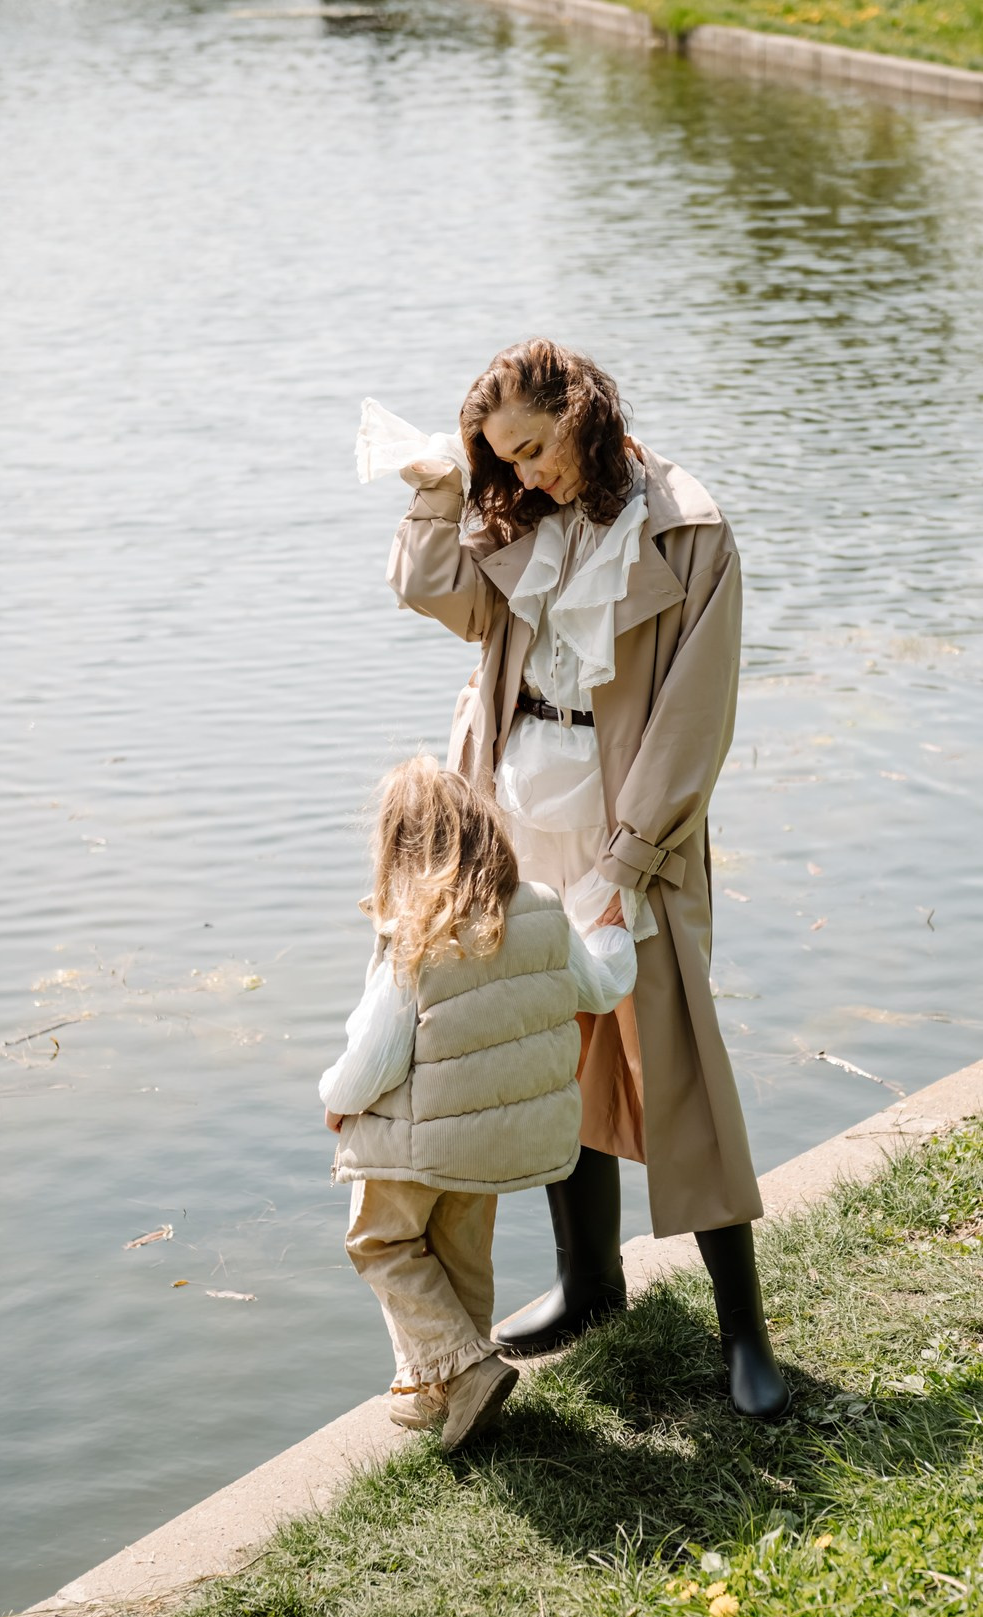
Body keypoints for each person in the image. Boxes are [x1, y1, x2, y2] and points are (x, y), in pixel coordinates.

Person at [369, 338, 789, 1419]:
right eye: (503, 457)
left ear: (582, 411)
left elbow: (693, 720)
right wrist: (434, 489)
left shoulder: (689, 530)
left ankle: (744, 1332)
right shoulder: (517, 518)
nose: (527, 472)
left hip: (623, 825)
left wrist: (628, 858)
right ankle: (592, 1287)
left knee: (676, 1066)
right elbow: (430, 592)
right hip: (515, 809)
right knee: (559, 1050)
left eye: (536, 446)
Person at [320, 756, 636, 1452]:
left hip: (420, 1142)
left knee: (382, 1244)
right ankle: (445, 1394)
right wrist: (611, 927)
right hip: (499, 1139)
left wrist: (335, 1099)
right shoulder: (545, 911)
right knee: (460, 1255)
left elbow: (377, 1054)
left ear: (396, 852)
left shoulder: (415, 935)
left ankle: (462, 1370)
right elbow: (602, 987)